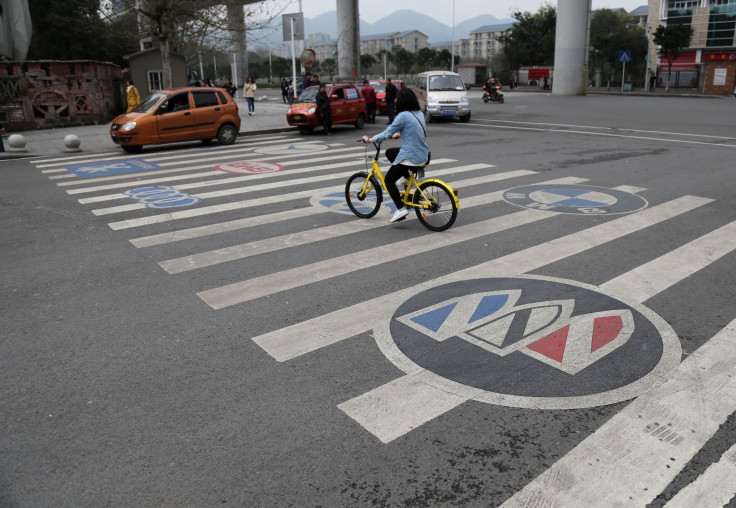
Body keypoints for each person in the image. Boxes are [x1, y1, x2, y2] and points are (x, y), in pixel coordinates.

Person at [362, 88, 428, 224]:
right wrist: (399, 134)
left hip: (411, 156)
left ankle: (400, 209)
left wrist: (370, 139)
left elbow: (386, 133)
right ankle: (406, 178)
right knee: (390, 152)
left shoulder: (403, 115)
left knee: (388, 181)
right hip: (423, 154)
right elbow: (414, 130)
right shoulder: (418, 113)